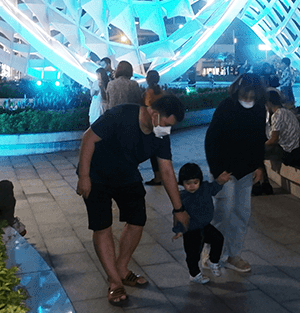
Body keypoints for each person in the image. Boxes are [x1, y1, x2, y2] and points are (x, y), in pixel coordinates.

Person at [75, 94, 190, 307]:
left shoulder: (160, 135)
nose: (167, 130)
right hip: (97, 175)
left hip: (127, 175)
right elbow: (88, 138)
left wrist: (178, 209)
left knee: (137, 220)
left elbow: (166, 170)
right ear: (154, 114)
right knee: (102, 226)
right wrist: (84, 176)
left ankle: (121, 268)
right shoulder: (121, 115)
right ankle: (114, 281)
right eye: (166, 124)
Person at [204, 73, 267, 273]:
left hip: (246, 171)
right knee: (223, 212)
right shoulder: (226, 107)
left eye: (252, 97)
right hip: (225, 171)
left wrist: (259, 166)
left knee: (242, 212)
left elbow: (258, 139)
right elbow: (211, 140)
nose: (248, 100)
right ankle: (211, 255)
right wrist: (217, 171)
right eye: (245, 96)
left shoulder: (258, 109)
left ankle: (233, 254)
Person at [171, 162, 231, 284]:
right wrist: (178, 230)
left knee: (218, 239)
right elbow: (177, 215)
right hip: (191, 230)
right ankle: (194, 274)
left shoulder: (205, 188)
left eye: (195, 182)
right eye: (188, 183)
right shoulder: (182, 197)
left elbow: (215, 187)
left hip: (205, 226)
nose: (192, 186)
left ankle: (213, 261)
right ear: (182, 183)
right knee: (193, 254)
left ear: (200, 181)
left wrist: (221, 181)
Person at [142, 70, 165, 186]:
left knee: (153, 151)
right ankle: (165, 175)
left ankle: (157, 177)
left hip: (153, 125)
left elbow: (147, 108)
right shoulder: (162, 91)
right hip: (163, 124)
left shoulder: (148, 92)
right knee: (163, 150)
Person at [90, 56, 112, 123]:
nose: (102, 67)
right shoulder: (98, 82)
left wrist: (93, 86)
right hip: (99, 106)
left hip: (101, 106)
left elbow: (93, 94)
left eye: (103, 65)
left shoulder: (111, 79)